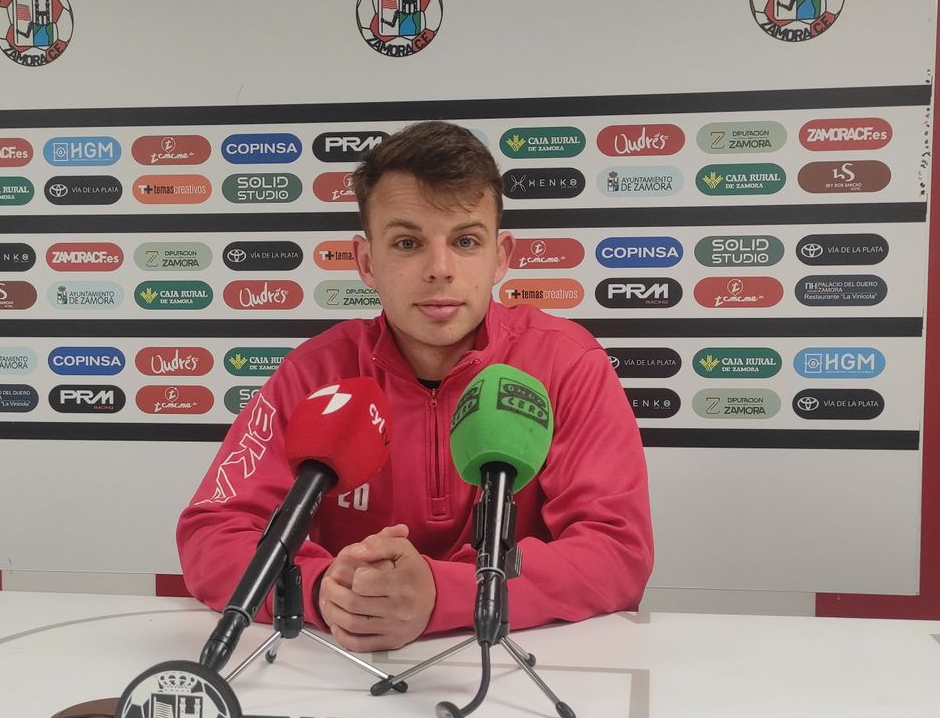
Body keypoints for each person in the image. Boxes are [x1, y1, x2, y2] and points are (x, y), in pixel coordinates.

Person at [175, 120, 652, 652]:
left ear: (502, 256)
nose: (439, 269)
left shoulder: (567, 363)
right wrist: (318, 591)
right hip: (343, 662)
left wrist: (444, 594)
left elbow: (617, 550)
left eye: (466, 241)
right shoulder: (314, 373)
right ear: (366, 261)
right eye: (407, 242)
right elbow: (212, 532)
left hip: (514, 662)